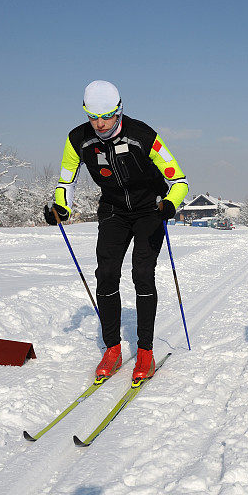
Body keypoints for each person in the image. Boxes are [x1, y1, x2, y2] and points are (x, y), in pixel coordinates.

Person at [44, 80, 189, 381]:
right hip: (113, 210)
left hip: (149, 209)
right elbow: (66, 183)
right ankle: (112, 349)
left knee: (142, 273)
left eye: (106, 116)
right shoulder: (77, 140)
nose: (99, 124)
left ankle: (145, 352)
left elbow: (179, 181)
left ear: (119, 109)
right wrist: (62, 208)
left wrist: (170, 205)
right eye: (92, 117)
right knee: (106, 273)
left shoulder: (143, 135)